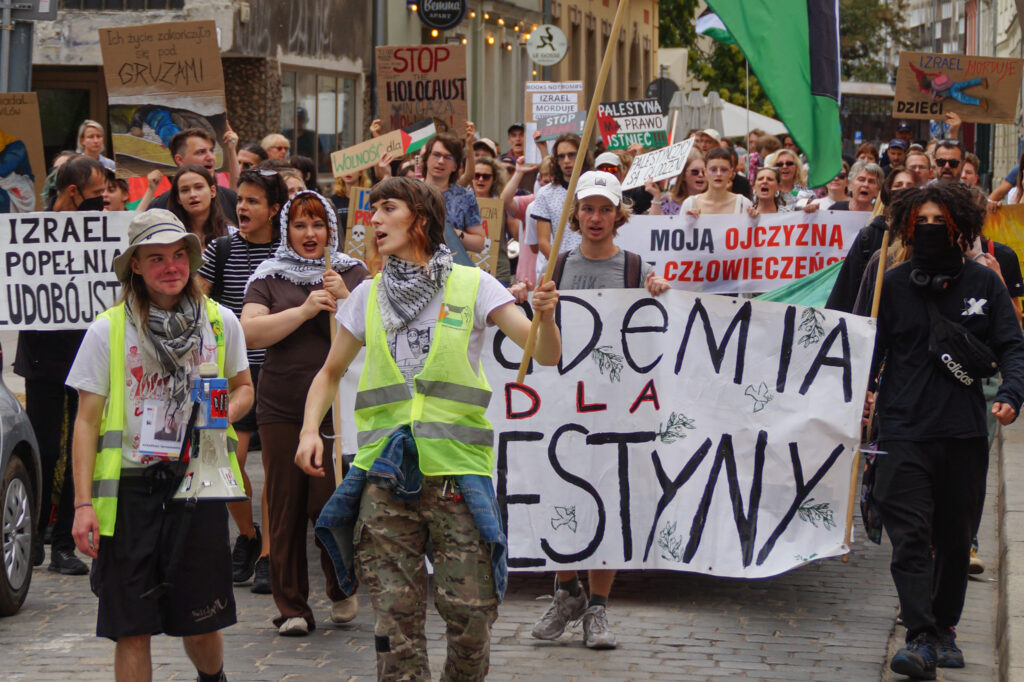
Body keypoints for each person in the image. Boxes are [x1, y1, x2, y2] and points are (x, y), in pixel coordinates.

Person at [299, 176, 561, 679]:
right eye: (372, 210)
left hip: (457, 475)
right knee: (395, 624)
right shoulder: (367, 296)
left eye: (386, 208)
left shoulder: (475, 284)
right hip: (384, 477)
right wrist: (311, 428)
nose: (373, 220)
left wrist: (546, 318)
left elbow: (544, 354)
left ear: (419, 218)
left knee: (472, 615)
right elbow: (329, 373)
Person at [68, 209, 253, 682]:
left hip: (196, 486)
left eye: (178, 256)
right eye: (156, 258)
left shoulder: (220, 321)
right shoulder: (107, 330)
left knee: (202, 618)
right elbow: (86, 422)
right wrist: (82, 504)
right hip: (130, 494)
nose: (171, 267)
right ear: (135, 265)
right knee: (131, 628)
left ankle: (213, 679)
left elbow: (244, 388)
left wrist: (219, 414)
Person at [868, 182, 1024, 678]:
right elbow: (865, 352)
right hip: (902, 429)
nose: (931, 230)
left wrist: (1011, 394)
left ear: (960, 228)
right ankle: (918, 634)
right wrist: (857, 396)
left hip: (961, 433)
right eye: (922, 223)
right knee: (910, 537)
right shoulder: (889, 285)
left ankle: (944, 629)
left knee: (955, 539)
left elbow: (1012, 346)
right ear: (908, 228)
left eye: (941, 222)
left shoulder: (985, 283)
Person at [530, 171, 668, 650]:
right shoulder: (558, 266)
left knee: (608, 498)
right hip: (563, 400)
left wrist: (658, 293)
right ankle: (567, 590)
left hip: (615, 405)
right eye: (587, 208)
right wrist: (531, 304)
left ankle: (598, 609)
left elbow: (651, 331)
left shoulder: (634, 266)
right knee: (560, 490)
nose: (595, 218)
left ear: (618, 215)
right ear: (575, 214)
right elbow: (538, 333)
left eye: (604, 209)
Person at [241, 190, 367, 635]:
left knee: (331, 500)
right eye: (300, 225)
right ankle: (292, 606)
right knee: (284, 503)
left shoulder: (352, 271)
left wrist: (347, 296)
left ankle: (341, 586)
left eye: (318, 225)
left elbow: (375, 329)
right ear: (286, 231)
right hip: (280, 405)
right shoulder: (268, 276)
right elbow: (251, 332)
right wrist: (306, 308)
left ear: (332, 228)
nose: (310, 234)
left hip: (337, 406)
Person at [196, 168, 288, 593]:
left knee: (272, 468)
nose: (243, 207)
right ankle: (247, 537)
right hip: (224, 375)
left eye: (253, 201)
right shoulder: (221, 248)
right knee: (221, 459)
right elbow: (196, 299)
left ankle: (270, 554)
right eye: (241, 200)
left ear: (274, 209)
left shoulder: (289, 253)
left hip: (276, 372)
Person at [17, 155, 106, 575]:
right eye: (95, 195)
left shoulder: (101, 232)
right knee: (44, 445)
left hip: (85, 352)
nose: (101, 203)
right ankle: (31, 535)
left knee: (78, 448)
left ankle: (63, 547)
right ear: (72, 193)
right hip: (41, 355)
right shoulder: (29, 231)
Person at [826, 168, 916, 313]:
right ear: (888, 192)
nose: (904, 190)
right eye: (898, 185)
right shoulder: (870, 235)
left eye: (909, 186)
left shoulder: (924, 235)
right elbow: (847, 290)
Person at [532, 133, 593, 277]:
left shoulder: (596, 188)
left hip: (596, 265)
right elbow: (543, 241)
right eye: (561, 156)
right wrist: (564, 265)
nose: (566, 161)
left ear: (582, 155)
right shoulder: (545, 194)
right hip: (560, 268)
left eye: (572, 155)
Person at [150, 128, 239, 224]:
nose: (211, 157)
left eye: (211, 151)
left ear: (213, 192)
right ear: (180, 160)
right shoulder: (159, 208)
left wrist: (232, 150)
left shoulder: (230, 198)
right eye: (201, 152)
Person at [420, 133, 486, 254]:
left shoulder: (465, 196)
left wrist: (453, 233)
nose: (440, 161)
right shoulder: (409, 192)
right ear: (426, 159)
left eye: (448, 157)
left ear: (455, 166)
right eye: (436, 155)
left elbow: (480, 244)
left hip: (452, 267)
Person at [470, 156, 515, 283]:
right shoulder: (462, 204)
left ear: (494, 179)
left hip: (498, 273)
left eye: (486, 176)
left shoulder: (503, 203)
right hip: (468, 273)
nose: (480, 180)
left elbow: (518, 234)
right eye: (476, 175)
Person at [167, 165, 232, 247]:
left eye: (199, 187)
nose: (192, 194)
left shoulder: (233, 235)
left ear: (212, 191)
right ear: (178, 198)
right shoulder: (169, 237)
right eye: (185, 190)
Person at [682, 147, 752, 216]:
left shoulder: (743, 204)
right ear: (705, 172)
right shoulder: (689, 204)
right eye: (713, 170)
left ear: (731, 172)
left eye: (724, 170)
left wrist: (755, 219)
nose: (718, 174)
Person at [647, 152, 706, 216]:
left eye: (704, 171)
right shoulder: (668, 201)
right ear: (683, 175)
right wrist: (656, 196)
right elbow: (654, 223)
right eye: (695, 172)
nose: (701, 175)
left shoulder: (716, 202)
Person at [331, 169, 370, 240]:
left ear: (360, 172)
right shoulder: (333, 200)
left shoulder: (368, 197)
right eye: (345, 168)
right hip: (340, 247)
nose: (348, 172)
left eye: (352, 168)